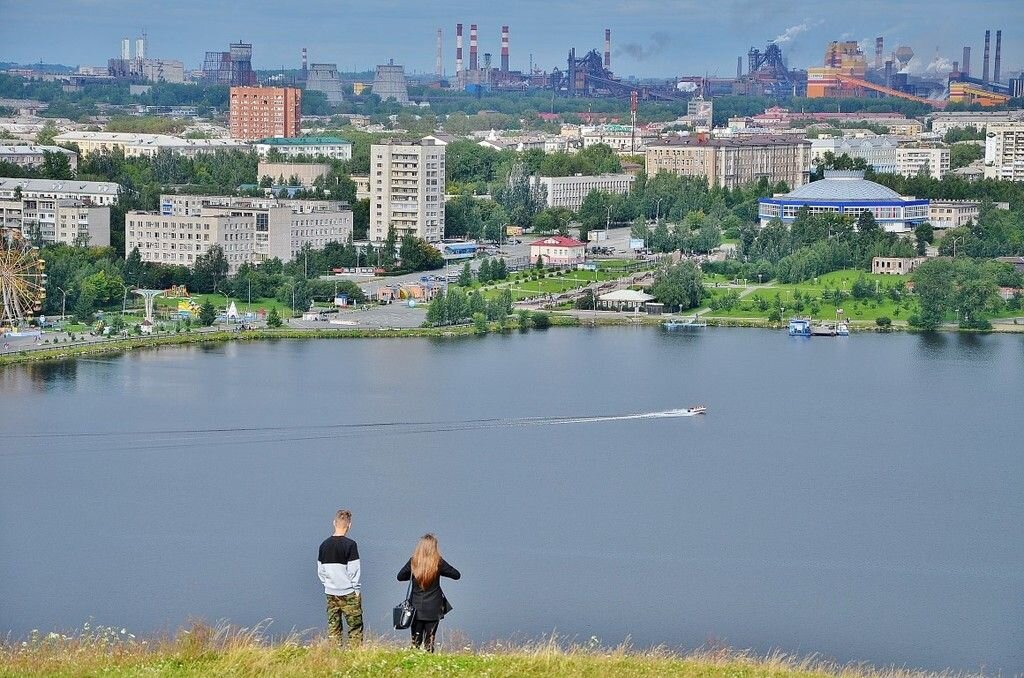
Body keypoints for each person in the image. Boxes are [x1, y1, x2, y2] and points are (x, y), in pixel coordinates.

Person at [397, 534, 460, 652]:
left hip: (416, 608)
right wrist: (440, 571)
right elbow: (456, 575)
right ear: (434, 547)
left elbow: (400, 577)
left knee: (415, 641)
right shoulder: (438, 562)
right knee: (429, 641)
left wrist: (415, 575)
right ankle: (429, 664)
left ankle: (413, 663)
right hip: (434, 607)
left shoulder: (413, 561)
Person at [317, 509, 362, 645]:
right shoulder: (351, 545)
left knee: (334, 628)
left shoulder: (324, 545)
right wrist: (356, 590)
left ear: (334, 523)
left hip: (330, 593)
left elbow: (321, 571)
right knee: (355, 628)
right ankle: (355, 656)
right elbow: (354, 571)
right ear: (349, 525)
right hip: (348, 592)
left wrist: (328, 584)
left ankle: (335, 657)